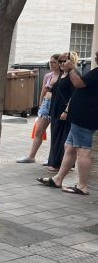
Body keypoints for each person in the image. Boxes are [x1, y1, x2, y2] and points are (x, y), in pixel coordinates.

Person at [38, 50, 98, 195]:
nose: (95, 55)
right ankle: (58, 179)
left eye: (97, 54)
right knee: (69, 146)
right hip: (79, 116)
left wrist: (71, 69)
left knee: (83, 151)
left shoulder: (97, 72)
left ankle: (82, 186)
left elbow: (78, 83)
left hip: (85, 117)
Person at [17, 54, 60, 163]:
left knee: (55, 134)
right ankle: (31, 156)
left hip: (57, 105)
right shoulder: (48, 76)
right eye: (50, 62)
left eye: (53, 62)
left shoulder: (63, 76)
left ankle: (52, 158)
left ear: (59, 63)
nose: (51, 64)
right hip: (46, 104)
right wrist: (40, 104)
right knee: (39, 131)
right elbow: (43, 91)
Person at [46, 51, 79, 172]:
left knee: (62, 138)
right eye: (60, 61)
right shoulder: (62, 74)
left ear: (71, 61)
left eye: (64, 61)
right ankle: (56, 161)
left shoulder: (73, 74)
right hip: (55, 109)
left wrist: (66, 111)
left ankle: (58, 164)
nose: (61, 63)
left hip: (64, 112)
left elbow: (74, 95)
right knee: (56, 137)